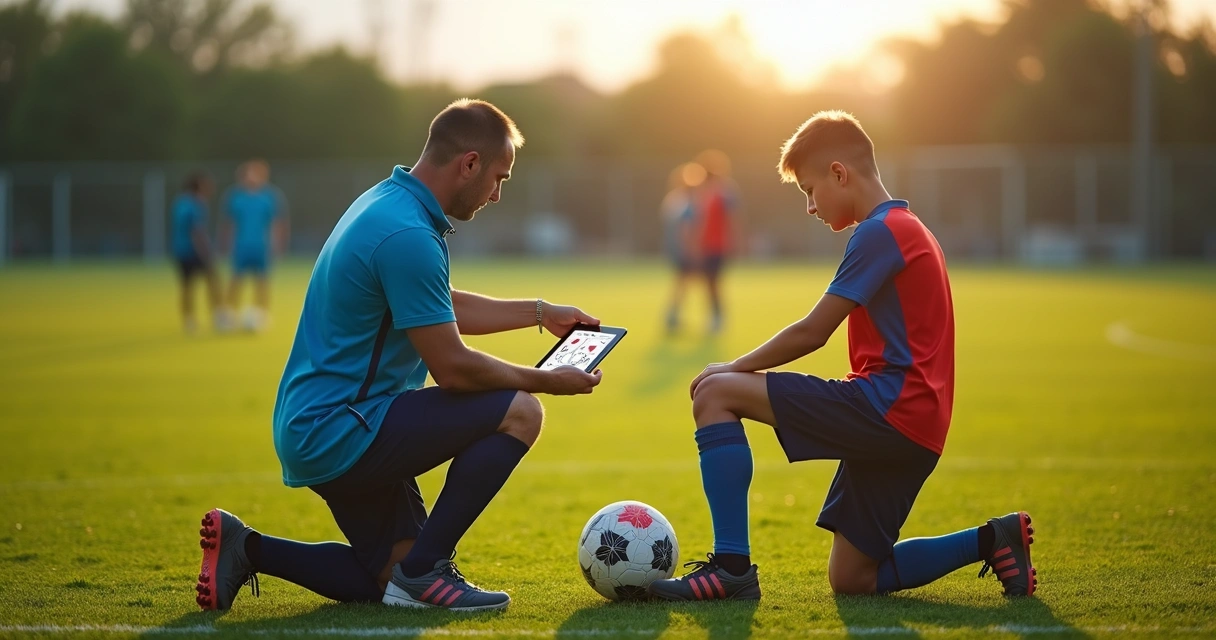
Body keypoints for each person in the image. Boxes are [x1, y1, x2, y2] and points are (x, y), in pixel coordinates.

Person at [194, 99, 603, 613]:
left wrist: (540, 312)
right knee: (520, 410)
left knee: (386, 577)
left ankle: (247, 548)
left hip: (319, 424)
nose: (498, 194)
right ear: (469, 163)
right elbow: (451, 368)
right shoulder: (408, 232)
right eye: (500, 177)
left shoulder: (388, 203)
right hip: (342, 426)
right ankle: (427, 575)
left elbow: (433, 304)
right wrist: (547, 380)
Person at [647, 111, 1036, 601]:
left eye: (810, 190)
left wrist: (730, 367)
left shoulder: (880, 231)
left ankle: (731, 570)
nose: (810, 206)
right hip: (918, 427)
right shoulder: (908, 227)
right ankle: (993, 539)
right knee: (853, 580)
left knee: (715, 393)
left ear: (839, 172)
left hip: (888, 409)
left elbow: (813, 332)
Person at [221, 159, 289, 332]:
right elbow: (229, 223)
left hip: (261, 246)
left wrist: (278, 244)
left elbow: (277, 222)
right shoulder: (235, 197)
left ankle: (262, 315)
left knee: (262, 281)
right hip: (241, 245)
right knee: (236, 279)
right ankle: (228, 315)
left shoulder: (270, 197)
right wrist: (226, 243)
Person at [170, 172, 225, 333]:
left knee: (186, 286)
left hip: (179, 250)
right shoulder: (196, 204)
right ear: (199, 186)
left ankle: (189, 321)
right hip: (194, 250)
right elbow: (196, 231)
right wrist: (206, 252)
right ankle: (218, 317)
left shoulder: (180, 202)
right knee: (213, 281)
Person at [693, 149, 738, 334]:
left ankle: (718, 318)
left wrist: (734, 241)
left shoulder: (724, 192)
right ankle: (714, 317)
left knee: (714, 283)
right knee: (708, 283)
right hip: (706, 245)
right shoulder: (704, 192)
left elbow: (733, 218)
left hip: (717, 245)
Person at [661, 161, 706, 334]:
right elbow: (685, 229)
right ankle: (672, 317)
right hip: (684, 250)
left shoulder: (674, 198)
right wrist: (692, 251)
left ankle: (673, 317)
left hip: (676, 249)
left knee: (682, 284)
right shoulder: (687, 200)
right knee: (686, 283)